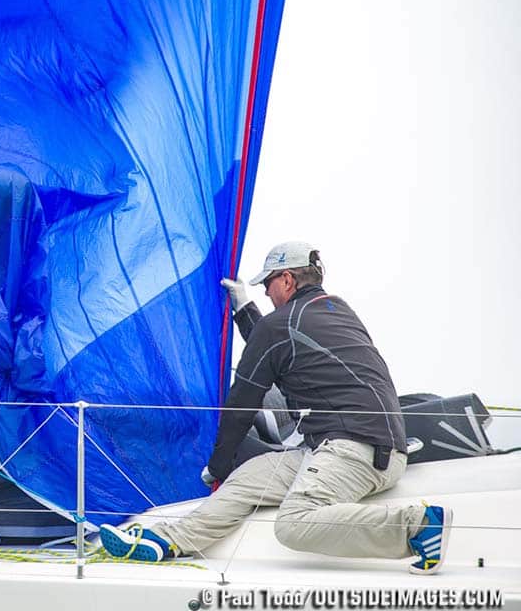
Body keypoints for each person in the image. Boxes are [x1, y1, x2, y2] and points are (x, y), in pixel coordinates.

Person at [98, 241, 452, 574]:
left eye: (268, 283)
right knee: (250, 478)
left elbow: (241, 403)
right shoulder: (337, 310)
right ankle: (168, 541)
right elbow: (277, 347)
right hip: (355, 446)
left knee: (293, 521)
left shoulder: (280, 324)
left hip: (355, 450)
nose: (266, 291)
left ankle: (417, 526)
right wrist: (244, 309)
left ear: (287, 279)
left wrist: (217, 464)